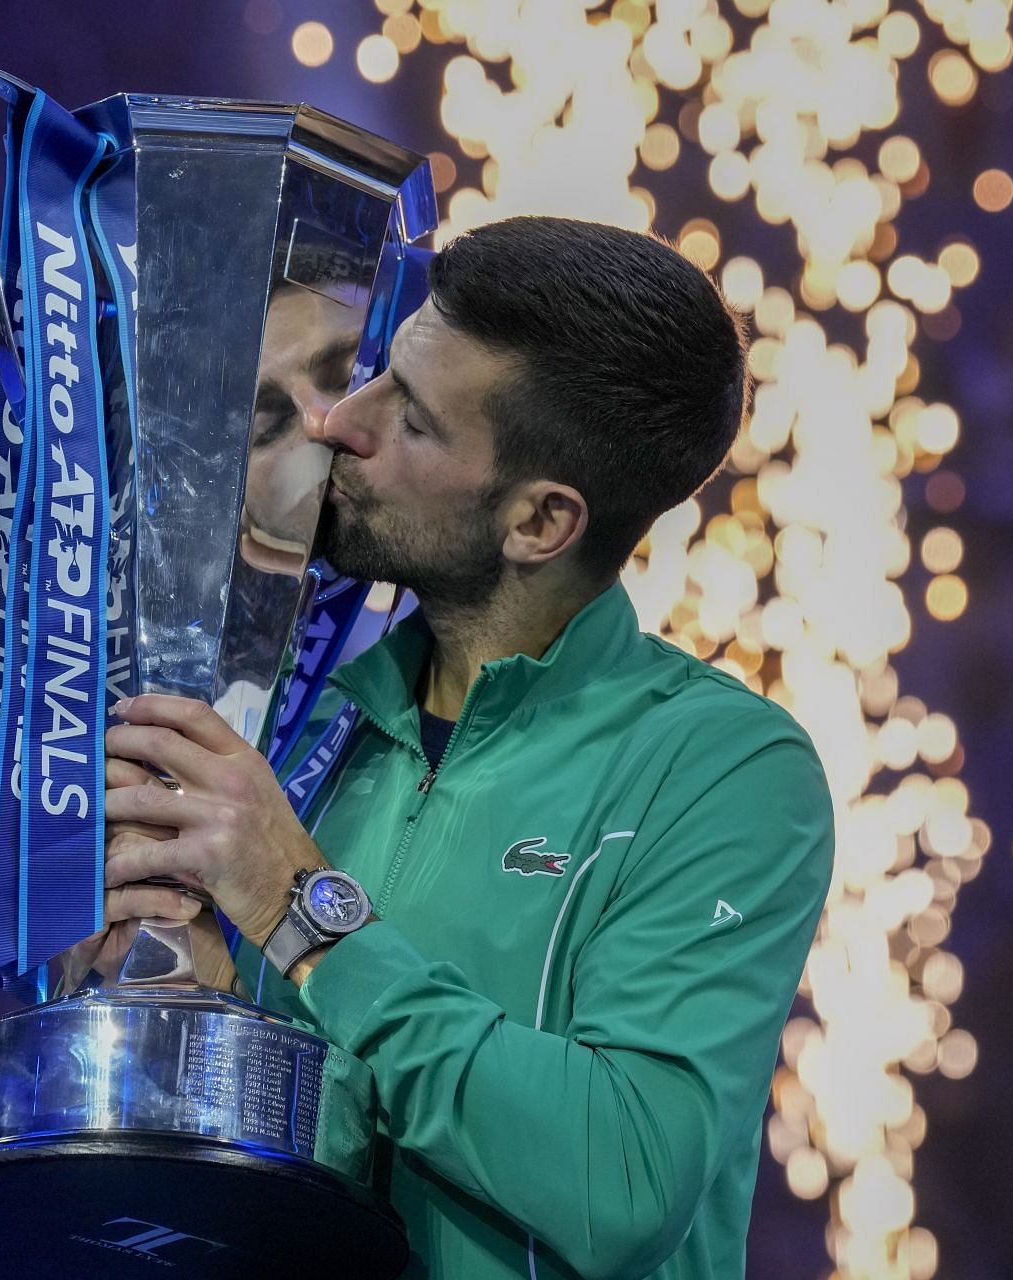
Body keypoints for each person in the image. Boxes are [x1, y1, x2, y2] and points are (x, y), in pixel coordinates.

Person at [99, 216, 835, 1279]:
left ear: (540, 520)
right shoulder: (296, 723)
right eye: (381, 372)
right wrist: (167, 995)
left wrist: (298, 905)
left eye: (415, 419)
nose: (342, 419)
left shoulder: (723, 769)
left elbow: (621, 1175)